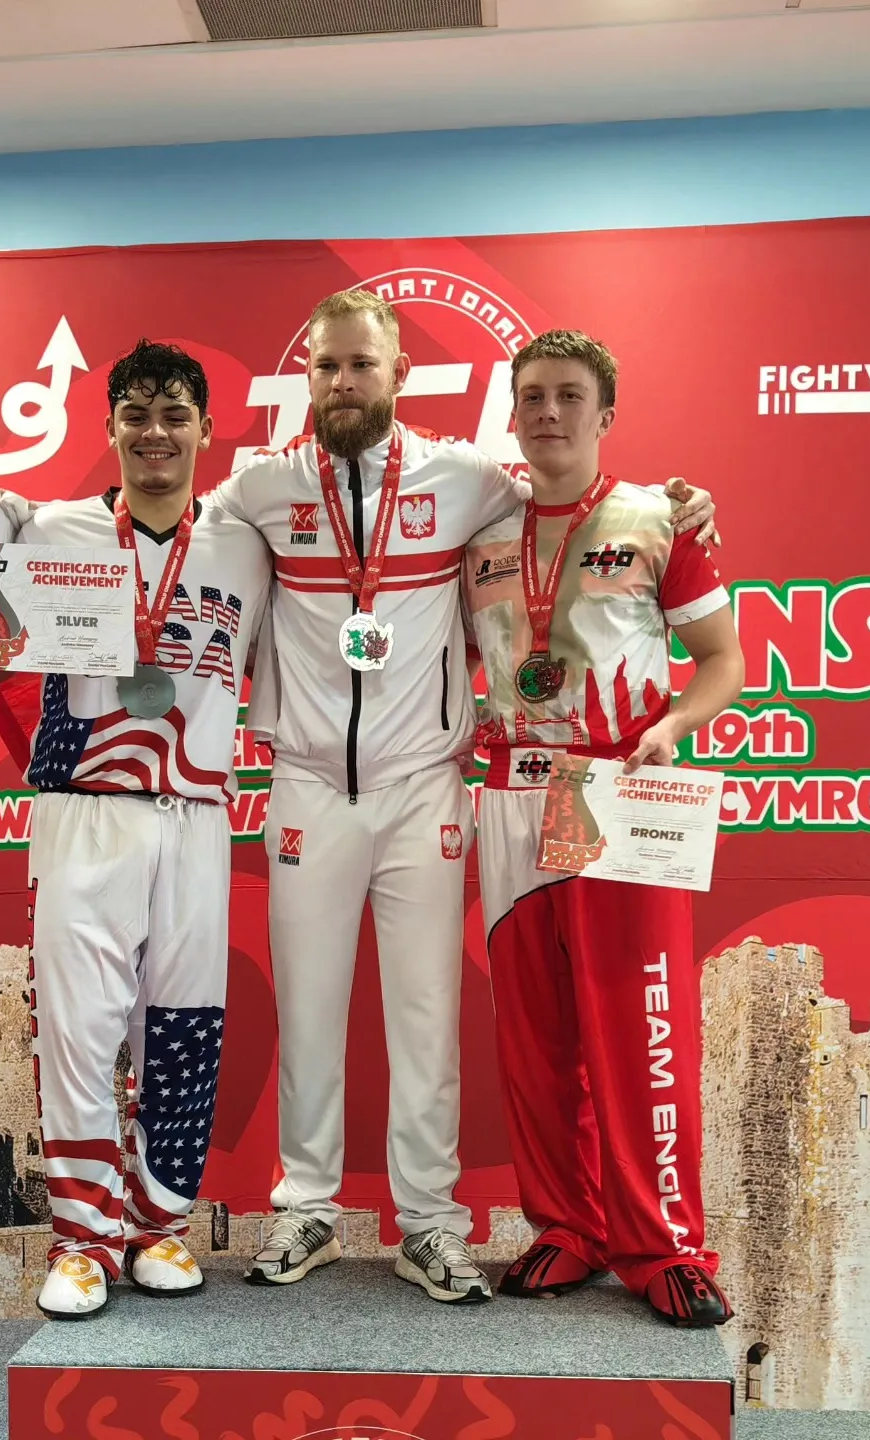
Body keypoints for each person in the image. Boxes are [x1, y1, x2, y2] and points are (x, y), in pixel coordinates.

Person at [216, 290, 718, 1304]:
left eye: (362, 364)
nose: (344, 382)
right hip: (308, 783)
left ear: (401, 374)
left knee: (427, 1016)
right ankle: (305, 1206)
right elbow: (166, 531)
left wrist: (682, 506)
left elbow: (578, 505)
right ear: (304, 376)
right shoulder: (257, 488)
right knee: (308, 1011)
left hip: (429, 785)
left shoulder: (469, 479)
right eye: (326, 366)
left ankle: (433, 1226)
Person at [0, 340, 270, 1318]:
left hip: (198, 815)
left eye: (175, 414)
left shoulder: (246, 543)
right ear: (110, 427)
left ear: (207, 430)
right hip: (85, 808)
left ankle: (158, 1227)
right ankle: (82, 1241)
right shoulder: (50, 528)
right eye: (137, 415)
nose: (156, 432)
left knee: (187, 1027)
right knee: (79, 1033)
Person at [461, 329, 744, 1326]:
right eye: (532, 395)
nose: (549, 412)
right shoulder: (477, 532)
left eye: (570, 395)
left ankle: (661, 1244)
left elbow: (723, 661)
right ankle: (567, 1227)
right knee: (534, 1037)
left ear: (605, 413)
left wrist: (671, 728)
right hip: (510, 792)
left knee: (637, 1028)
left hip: (616, 787)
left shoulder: (660, 517)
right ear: (512, 412)